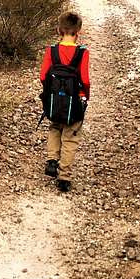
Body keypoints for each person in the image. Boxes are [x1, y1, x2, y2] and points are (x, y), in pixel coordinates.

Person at [40, 11, 91, 193]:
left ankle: (52, 160)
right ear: (79, 31)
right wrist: (85, 95)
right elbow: (84, 79)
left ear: (58, 30)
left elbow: (43, 76)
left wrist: (52, 93)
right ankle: (64, 178)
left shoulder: (51, 51)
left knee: (55, 127)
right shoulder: (82, 53)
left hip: (55, 100)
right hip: (74, 102)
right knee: (70, 137)